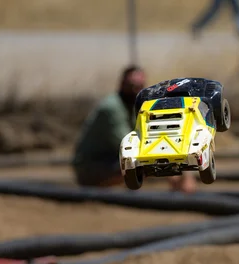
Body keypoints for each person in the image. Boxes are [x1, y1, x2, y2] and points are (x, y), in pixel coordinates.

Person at [71, 65, 198, 193]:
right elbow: (130, 147)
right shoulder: (111, 108)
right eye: (132, 86)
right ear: (122, 85)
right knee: (143, 163)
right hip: (91, 168)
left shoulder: (135, 106)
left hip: (109, 160)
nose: (136, 91)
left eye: (139, 87)